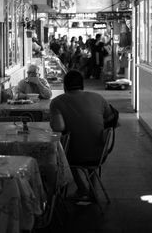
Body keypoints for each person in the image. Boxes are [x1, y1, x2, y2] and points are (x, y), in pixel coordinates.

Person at [49, 69, 117, 200]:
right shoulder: (98, 98)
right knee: (89, 142)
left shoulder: (57, 102)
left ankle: (82, 189)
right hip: (99, 154)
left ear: (65, 86)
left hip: (75, 156)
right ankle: (93, 188)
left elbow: (59, 127)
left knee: (63, 154)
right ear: (82, 85)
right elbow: (111, 119)